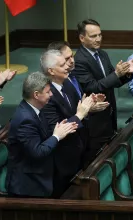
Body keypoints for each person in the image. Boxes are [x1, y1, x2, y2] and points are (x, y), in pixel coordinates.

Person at [72, 19, 133, 165]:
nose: (98, 39)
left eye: (100, 35)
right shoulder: (79, 60)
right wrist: (116, 74)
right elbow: (92, 87)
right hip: (94, 123)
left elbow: (112, 81)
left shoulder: (102, 54)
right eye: (93, 36)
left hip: (109, 116)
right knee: (95, 163)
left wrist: (126, 73)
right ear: (82, 38)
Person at [6, 72, 78, 198]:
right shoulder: (25, 119)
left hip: (41, 176)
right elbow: (38, 152)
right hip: (28, 187)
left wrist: (59, 130)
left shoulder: (36, 109)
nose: (51, 94)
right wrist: (56, 136)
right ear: (36, 95)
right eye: (48, 92)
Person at [40, 49, 95, 197]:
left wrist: (89, 107)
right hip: (61, 161)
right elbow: (57, 129)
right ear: (51, 71)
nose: (67, 67)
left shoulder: (68, 84)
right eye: (62, 64)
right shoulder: (46, 95)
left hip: (78, 151)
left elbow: (78, 109)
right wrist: (80, 114)